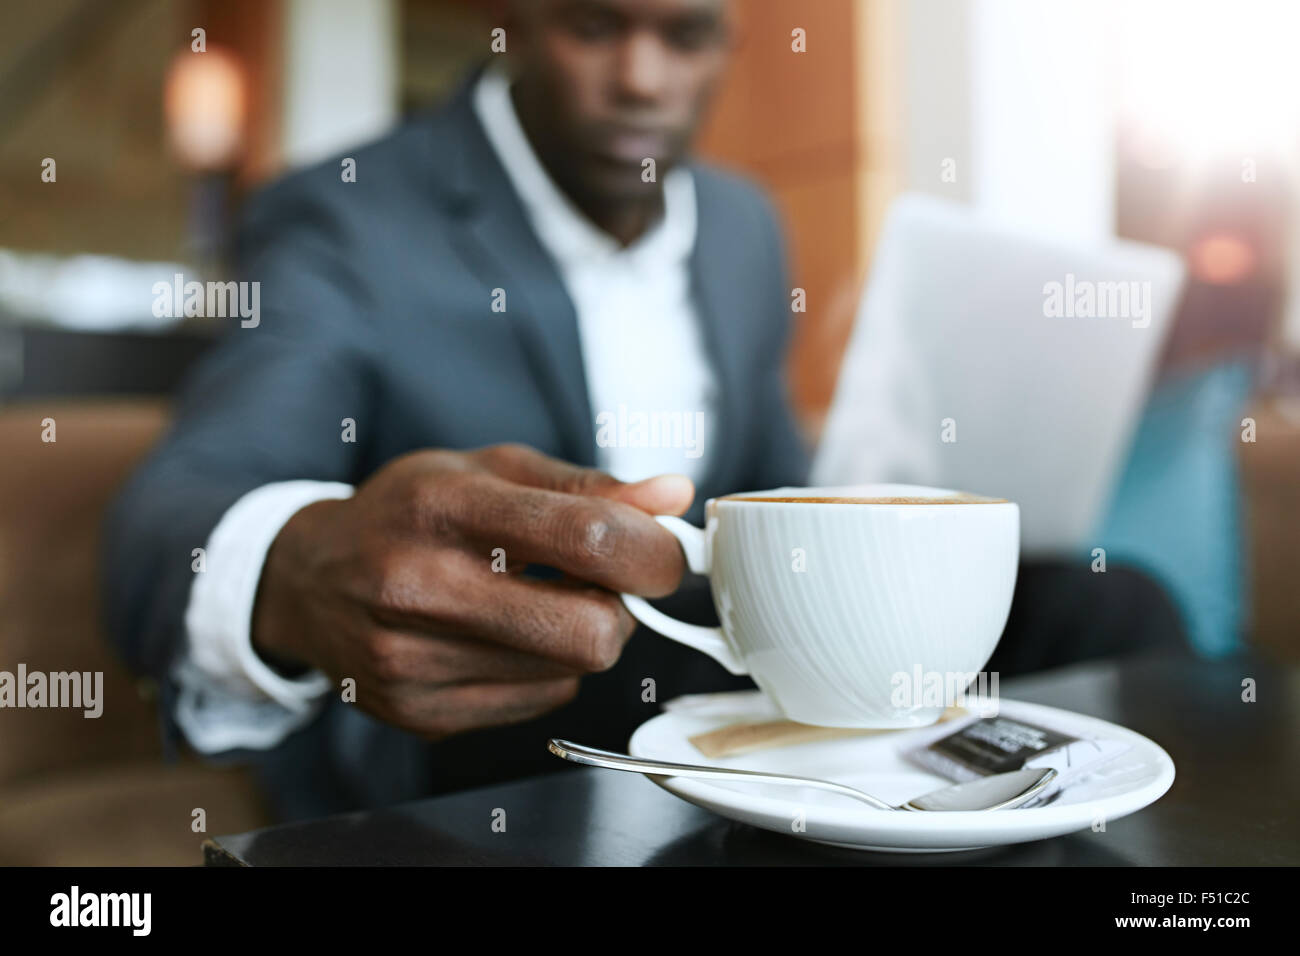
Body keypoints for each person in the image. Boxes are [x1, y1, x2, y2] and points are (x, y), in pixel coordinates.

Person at [105, 0, 1184, 823]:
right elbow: (180, 507)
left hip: (717, 661)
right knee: (612, 665)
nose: (640, 79)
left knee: (1114, 606)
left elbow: (759, 492)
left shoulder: (740, 229)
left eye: (686, 34)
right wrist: (298, 566)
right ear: (511, 21)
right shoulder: (348, 212)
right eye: (592, 24)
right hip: (503, 712)